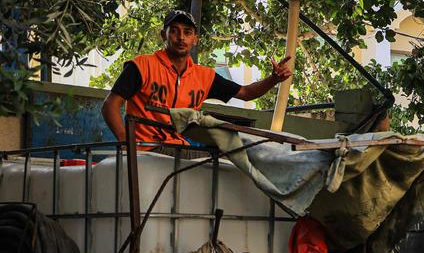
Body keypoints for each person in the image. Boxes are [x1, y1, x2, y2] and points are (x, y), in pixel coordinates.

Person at [101, 10, 293, 149]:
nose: (181, 37)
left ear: (195, 39)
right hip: (145, 149)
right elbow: (110, 105)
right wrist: (126, 142)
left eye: (187, 32)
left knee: (222, 166)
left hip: (179, 148)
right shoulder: (142, 66)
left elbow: (246, 93)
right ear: (164, 35)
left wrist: (273, 79)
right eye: (174, 30)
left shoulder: (204, 76)